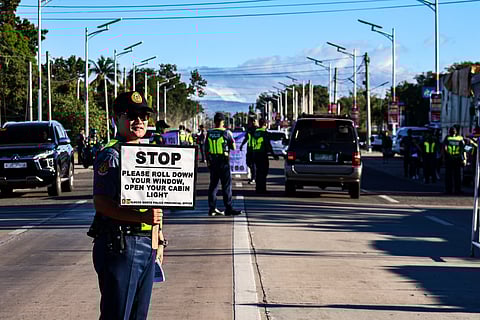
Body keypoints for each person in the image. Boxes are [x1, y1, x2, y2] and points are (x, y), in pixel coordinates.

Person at [88, 91, 165, 319]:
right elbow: (101, 203)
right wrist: (141, 219)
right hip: (120, 244)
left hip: (146, 245)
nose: (139, 120)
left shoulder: (152, 155)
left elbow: (157, 199)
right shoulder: (112, 155)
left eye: (144, 115)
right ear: (116, 118)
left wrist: (159, 238)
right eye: (131, 115)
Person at [205, 112, 243, 216]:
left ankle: (212, 208)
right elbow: (233, 147)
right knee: (226, 186)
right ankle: (228, 208)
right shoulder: (226, 132)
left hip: (213, 162)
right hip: (223, 162)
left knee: (213, 185)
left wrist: (208, 161)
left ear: (214, 121)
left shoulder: (209, 133)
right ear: (222, 121)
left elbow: (206, 148)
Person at [252, 118, 273, 193]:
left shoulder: (255, 132)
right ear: (265, 124)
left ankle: (258, 187)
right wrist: (273, 154)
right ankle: (263, 188)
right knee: (264, 172)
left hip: (255, 153)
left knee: (258, 171)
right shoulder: (264, 132)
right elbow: (268, 144)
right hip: (262, 154)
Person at [443, 126, 466, 194]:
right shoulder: (460, 138)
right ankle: (457, 190)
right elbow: (463, 149)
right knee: (457, 175)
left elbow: (445, 148)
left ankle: (449, 190)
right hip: (457, 158)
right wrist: (464, 159)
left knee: (449, 175)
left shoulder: (447, 138)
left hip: (450, 158)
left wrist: (444, 157)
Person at [240, 117, 257, 184]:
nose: (248, 123)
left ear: (253, 122)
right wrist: (242, 145)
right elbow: (246, 138)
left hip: (255, 149)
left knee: (253, 164)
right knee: (248, 163)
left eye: (249, 122)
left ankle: (253, 178)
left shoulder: (256, 129)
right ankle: (254, 177)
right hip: (249, 148)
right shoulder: (249, 129)